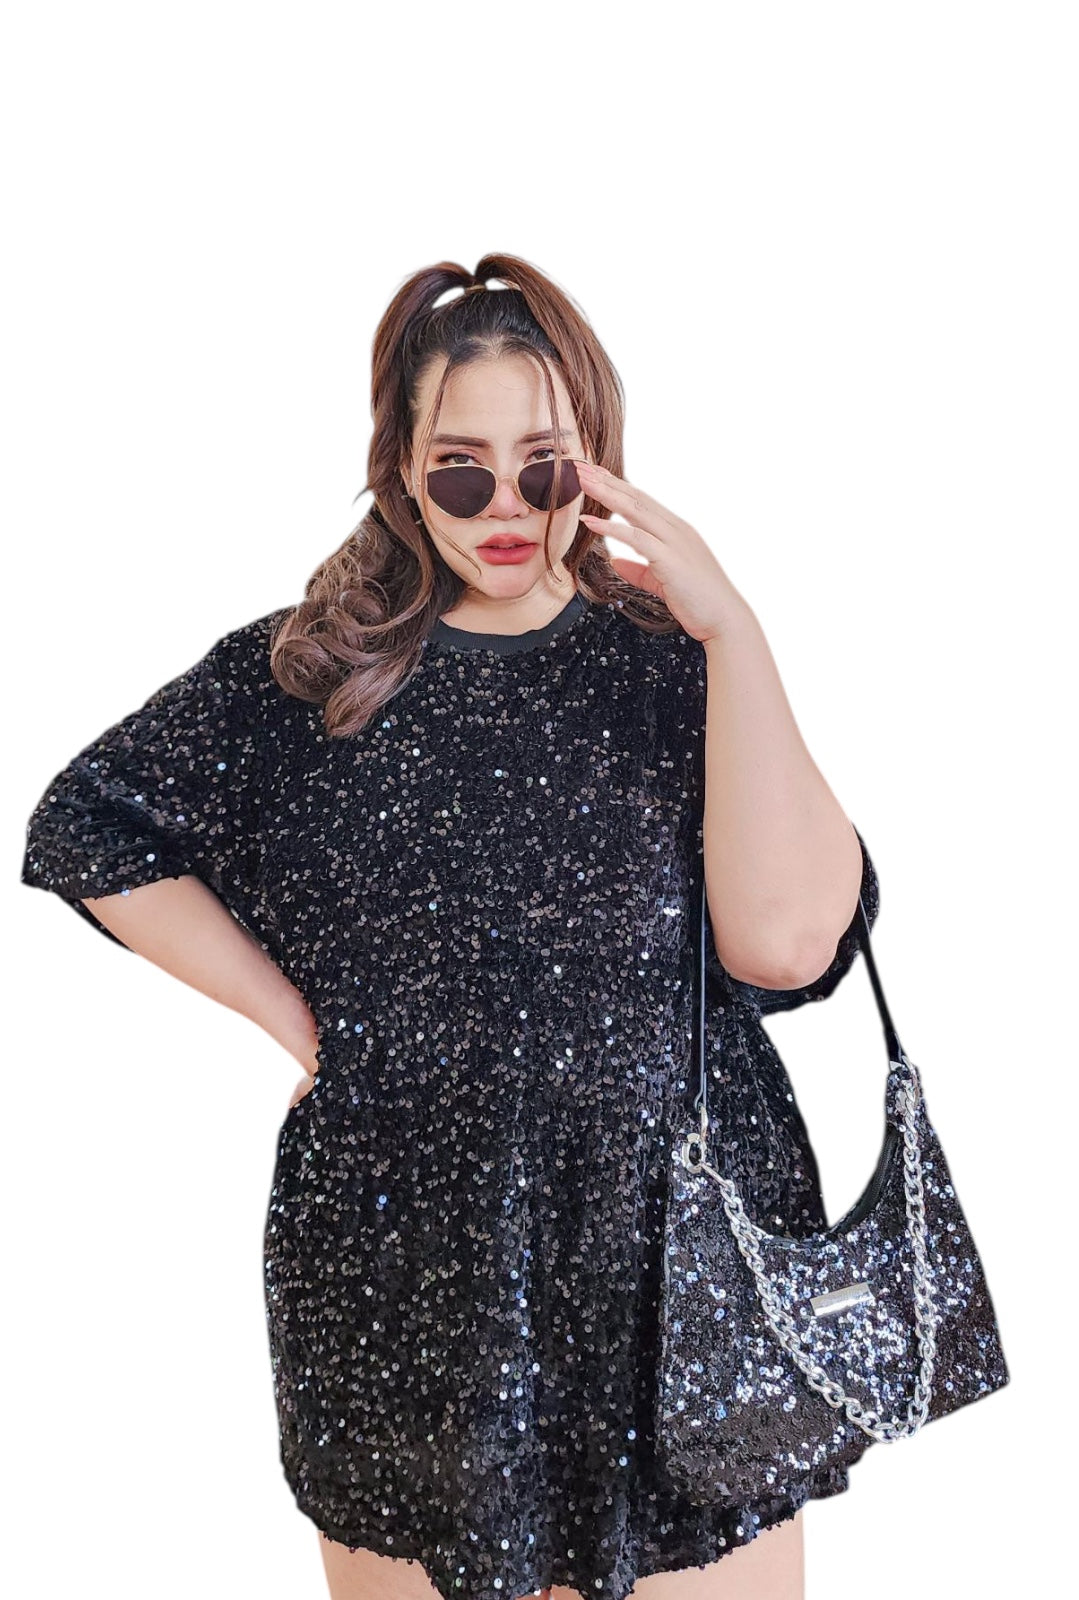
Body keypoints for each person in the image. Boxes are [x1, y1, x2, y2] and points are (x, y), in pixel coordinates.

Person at [20, 252, 879, 1600]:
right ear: (402, 472)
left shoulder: (680, 662)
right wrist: (295, 1019)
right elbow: (87, 826)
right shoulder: (310, 674)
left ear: (596, 461)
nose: (506, 507)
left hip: (684, 1278)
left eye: (543, 466)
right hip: (408, 1284)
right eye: (461, 470)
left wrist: (734, 628)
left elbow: (790, 945)